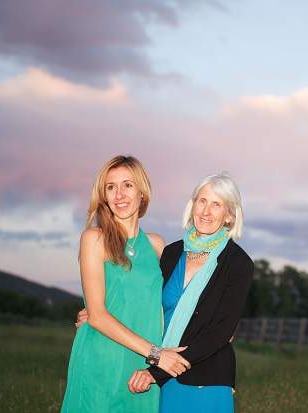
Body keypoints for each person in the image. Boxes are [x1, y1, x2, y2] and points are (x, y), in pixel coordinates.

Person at [61, 155, 190, 413]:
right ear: (104, 196)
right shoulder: (94, 239)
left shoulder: (156, 246)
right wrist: (157, 354)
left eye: (127, 185)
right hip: (102, 358)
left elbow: (172, 304)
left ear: (142, 192)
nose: (119, 194)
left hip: (141, 366)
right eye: (111, 187)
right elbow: (97, 316)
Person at [127, 173, 254, 413]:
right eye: (202, 201)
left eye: (217, 204)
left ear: (229, 215)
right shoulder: (171, 253)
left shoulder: (238, 263)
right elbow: (145, 303)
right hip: (160, 376)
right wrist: (94, 311)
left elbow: (220, 332)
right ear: (193, 204)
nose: (206, 211)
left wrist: (159, 370)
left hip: (205, 379)